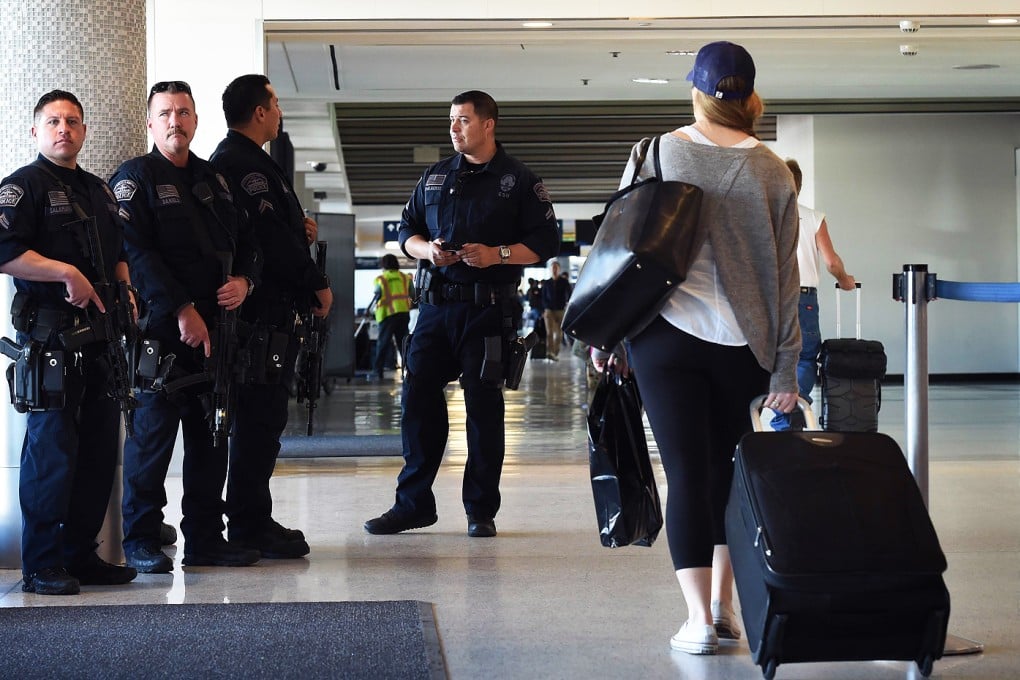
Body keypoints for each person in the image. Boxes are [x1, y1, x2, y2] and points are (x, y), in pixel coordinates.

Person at [593, 42, 800, 655]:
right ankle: (724, 605)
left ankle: (698, 621)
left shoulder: (656, 151)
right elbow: (786, 278)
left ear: (698, 90)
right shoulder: (773, 169)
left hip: (665, 336)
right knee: (727, 475)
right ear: (747, 94)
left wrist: (605, 333)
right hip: (746, 342)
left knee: (686, 473)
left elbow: (617, 248)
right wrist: (787, 363)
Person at [364, 90, 559, 538]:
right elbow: (406, 231)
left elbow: (545, 244)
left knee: (483, 411)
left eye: (463, 120)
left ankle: (480, 510)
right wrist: (426, 251)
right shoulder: (434, 178)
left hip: (487, 312)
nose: (454, 128)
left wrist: (498, 254)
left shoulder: (518, 179)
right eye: (451, 120)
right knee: (417, 405)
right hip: (434, 311)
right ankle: (412, 505)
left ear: (488, 124)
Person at [111, 80, 262, 572]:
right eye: (166, 113)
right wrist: (181, 310)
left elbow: (248, 241)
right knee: (152, 443)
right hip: (163, 337)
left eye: (184, 112)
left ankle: (204, 539)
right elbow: (137, 254)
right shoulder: (135, 178)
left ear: (196, 120)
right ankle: (140, 539)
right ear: (151, 123)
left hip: (218, 333)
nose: (176, 121)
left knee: (210, 440)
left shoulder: (214, 180)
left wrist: (246, 282)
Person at [0, 90, 138, 595]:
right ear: (35, 131)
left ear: (83, 131)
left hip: (102, 339)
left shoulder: (99, 191)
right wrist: (65, 273)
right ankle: (40, 565)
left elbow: (120, 251)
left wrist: (124, 288)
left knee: (100, 453)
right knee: (52, 455)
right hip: (51, 341)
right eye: (54, 121)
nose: (64, 129)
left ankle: (81, 555)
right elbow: (5, 252)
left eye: (73, 121)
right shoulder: (22, 186)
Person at [210, 73, 334, 559]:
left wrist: (296, 227)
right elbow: (271, 243)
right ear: (260, 111)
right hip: (259, 319)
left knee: (264, 423)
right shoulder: (243, 164)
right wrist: (316, 283)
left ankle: (252, 517)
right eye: (276, 104)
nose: (279, 112)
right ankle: (247, 523)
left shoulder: (254, 162)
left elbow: (274, 231)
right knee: (258, 422)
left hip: (268, 317)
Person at [771, 158, 856, 430]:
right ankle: (790, 418)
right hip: (803, 297)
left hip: (770, 296)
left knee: (769, 354)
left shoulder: (763, 214)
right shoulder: (813, 217)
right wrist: (845, 281)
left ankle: (774, 413)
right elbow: (832, 262)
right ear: (798, 185)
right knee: (805, 356)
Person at [370, 253, 412, 380]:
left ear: (383, 264)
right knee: (403, 345)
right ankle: (408, 372)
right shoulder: (405, 278)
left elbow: (377, 294)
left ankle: (378, 373)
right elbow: (413, 294)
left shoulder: (381, 279)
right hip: (403, 314)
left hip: (387, 315)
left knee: (383, 343)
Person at [540, 260, 571, 360]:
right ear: (550, 269)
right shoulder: (547, 283)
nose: (554, 270)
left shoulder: (564, 282)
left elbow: (569, 294)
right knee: (549, 333)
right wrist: (544, 309)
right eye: (552, 268)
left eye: (556, 268)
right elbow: (543, 296)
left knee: (559, 334)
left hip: (560, 310)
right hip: (549, 310)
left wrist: (567, 304)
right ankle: (550, 353)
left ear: (559, 269)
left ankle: (555, 352)